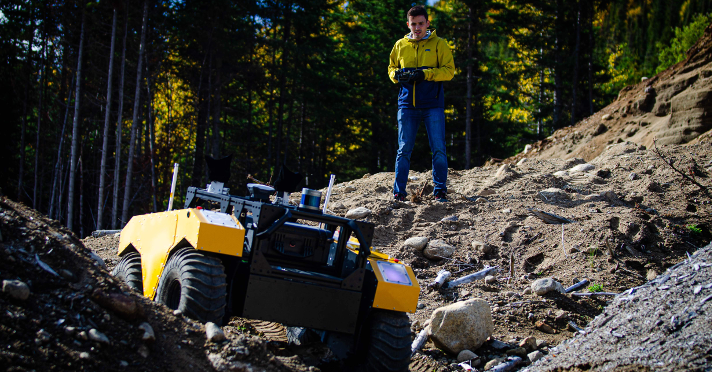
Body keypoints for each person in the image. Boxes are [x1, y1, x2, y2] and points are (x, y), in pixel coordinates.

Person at [388, 5, 455, 203]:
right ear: (408, 24)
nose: (417, 28)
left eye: (420, 24)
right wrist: (397, 76)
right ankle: (399, 193)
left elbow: (449, 71)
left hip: (432, 104)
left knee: (438, 148)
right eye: (413, 24)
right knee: (404, 150)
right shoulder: (400, 45)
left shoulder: (439, 44)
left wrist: (425, 74)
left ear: (427, 23)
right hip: (407, 105)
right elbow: (391, 67)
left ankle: (440, 190)